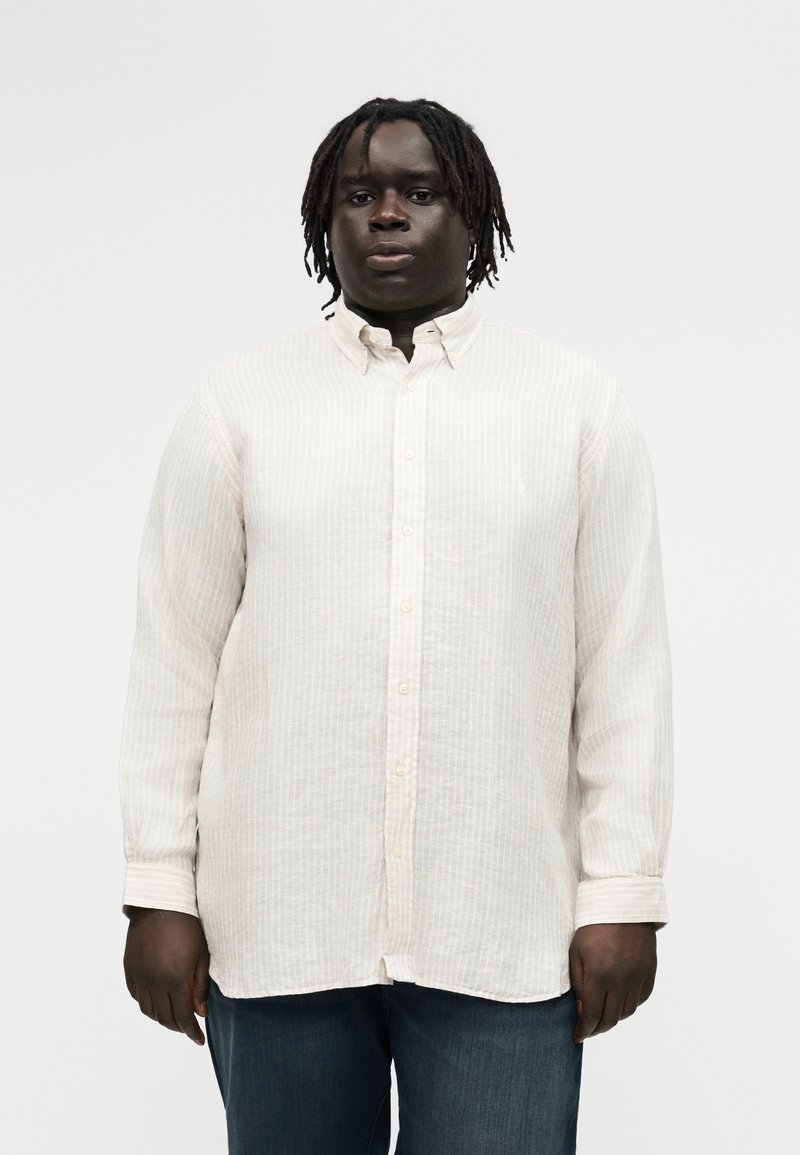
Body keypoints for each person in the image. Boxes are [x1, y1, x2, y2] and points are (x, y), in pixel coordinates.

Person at [119, 96, 673, 1154]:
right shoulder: (238, 406)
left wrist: (623, 893)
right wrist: (157, 891)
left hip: (500, 924)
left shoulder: (575, 406)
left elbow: (621, 667)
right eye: (357, 195)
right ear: (322, 221)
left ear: (474, 218)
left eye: (419, 192)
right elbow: (174, 661)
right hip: (279, 920)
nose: (384, 214)